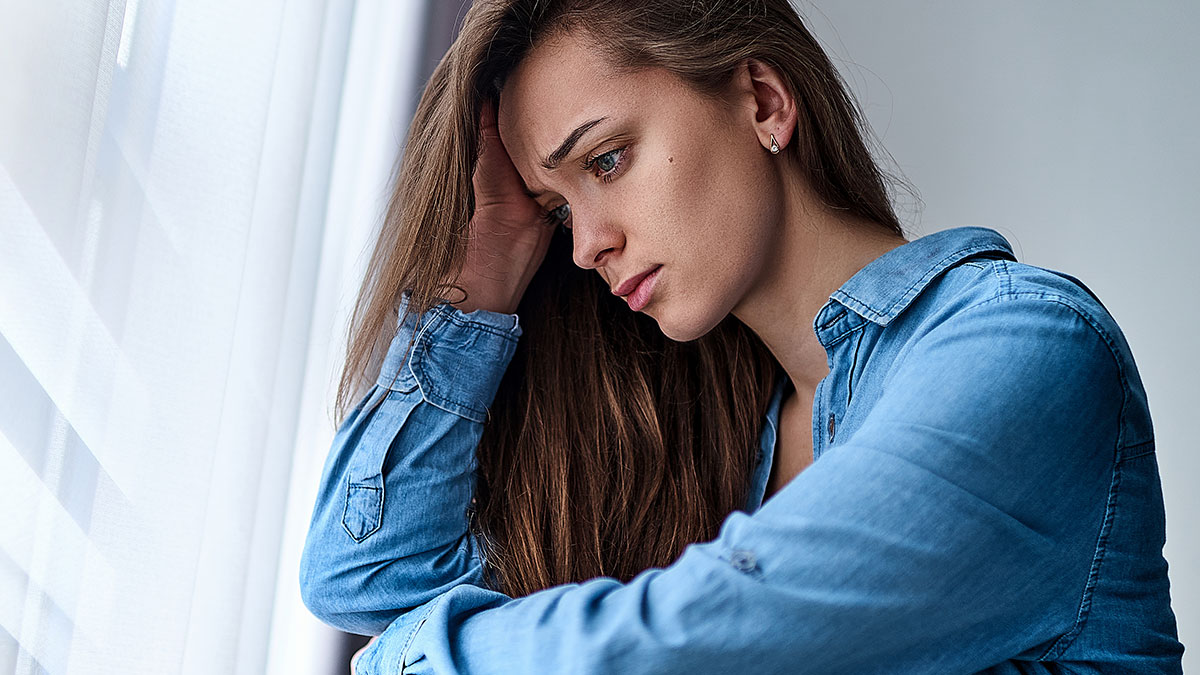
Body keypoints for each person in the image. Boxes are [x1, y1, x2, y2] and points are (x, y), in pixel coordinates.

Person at [299, 0, 1185, 672]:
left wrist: (415, 661)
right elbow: (366, 579)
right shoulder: (705, 440)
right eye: (557, 206)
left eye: (608, 160)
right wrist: (480, 283)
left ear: (762, 100)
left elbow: (708, 633)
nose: (585, 243)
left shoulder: (1026, 347)